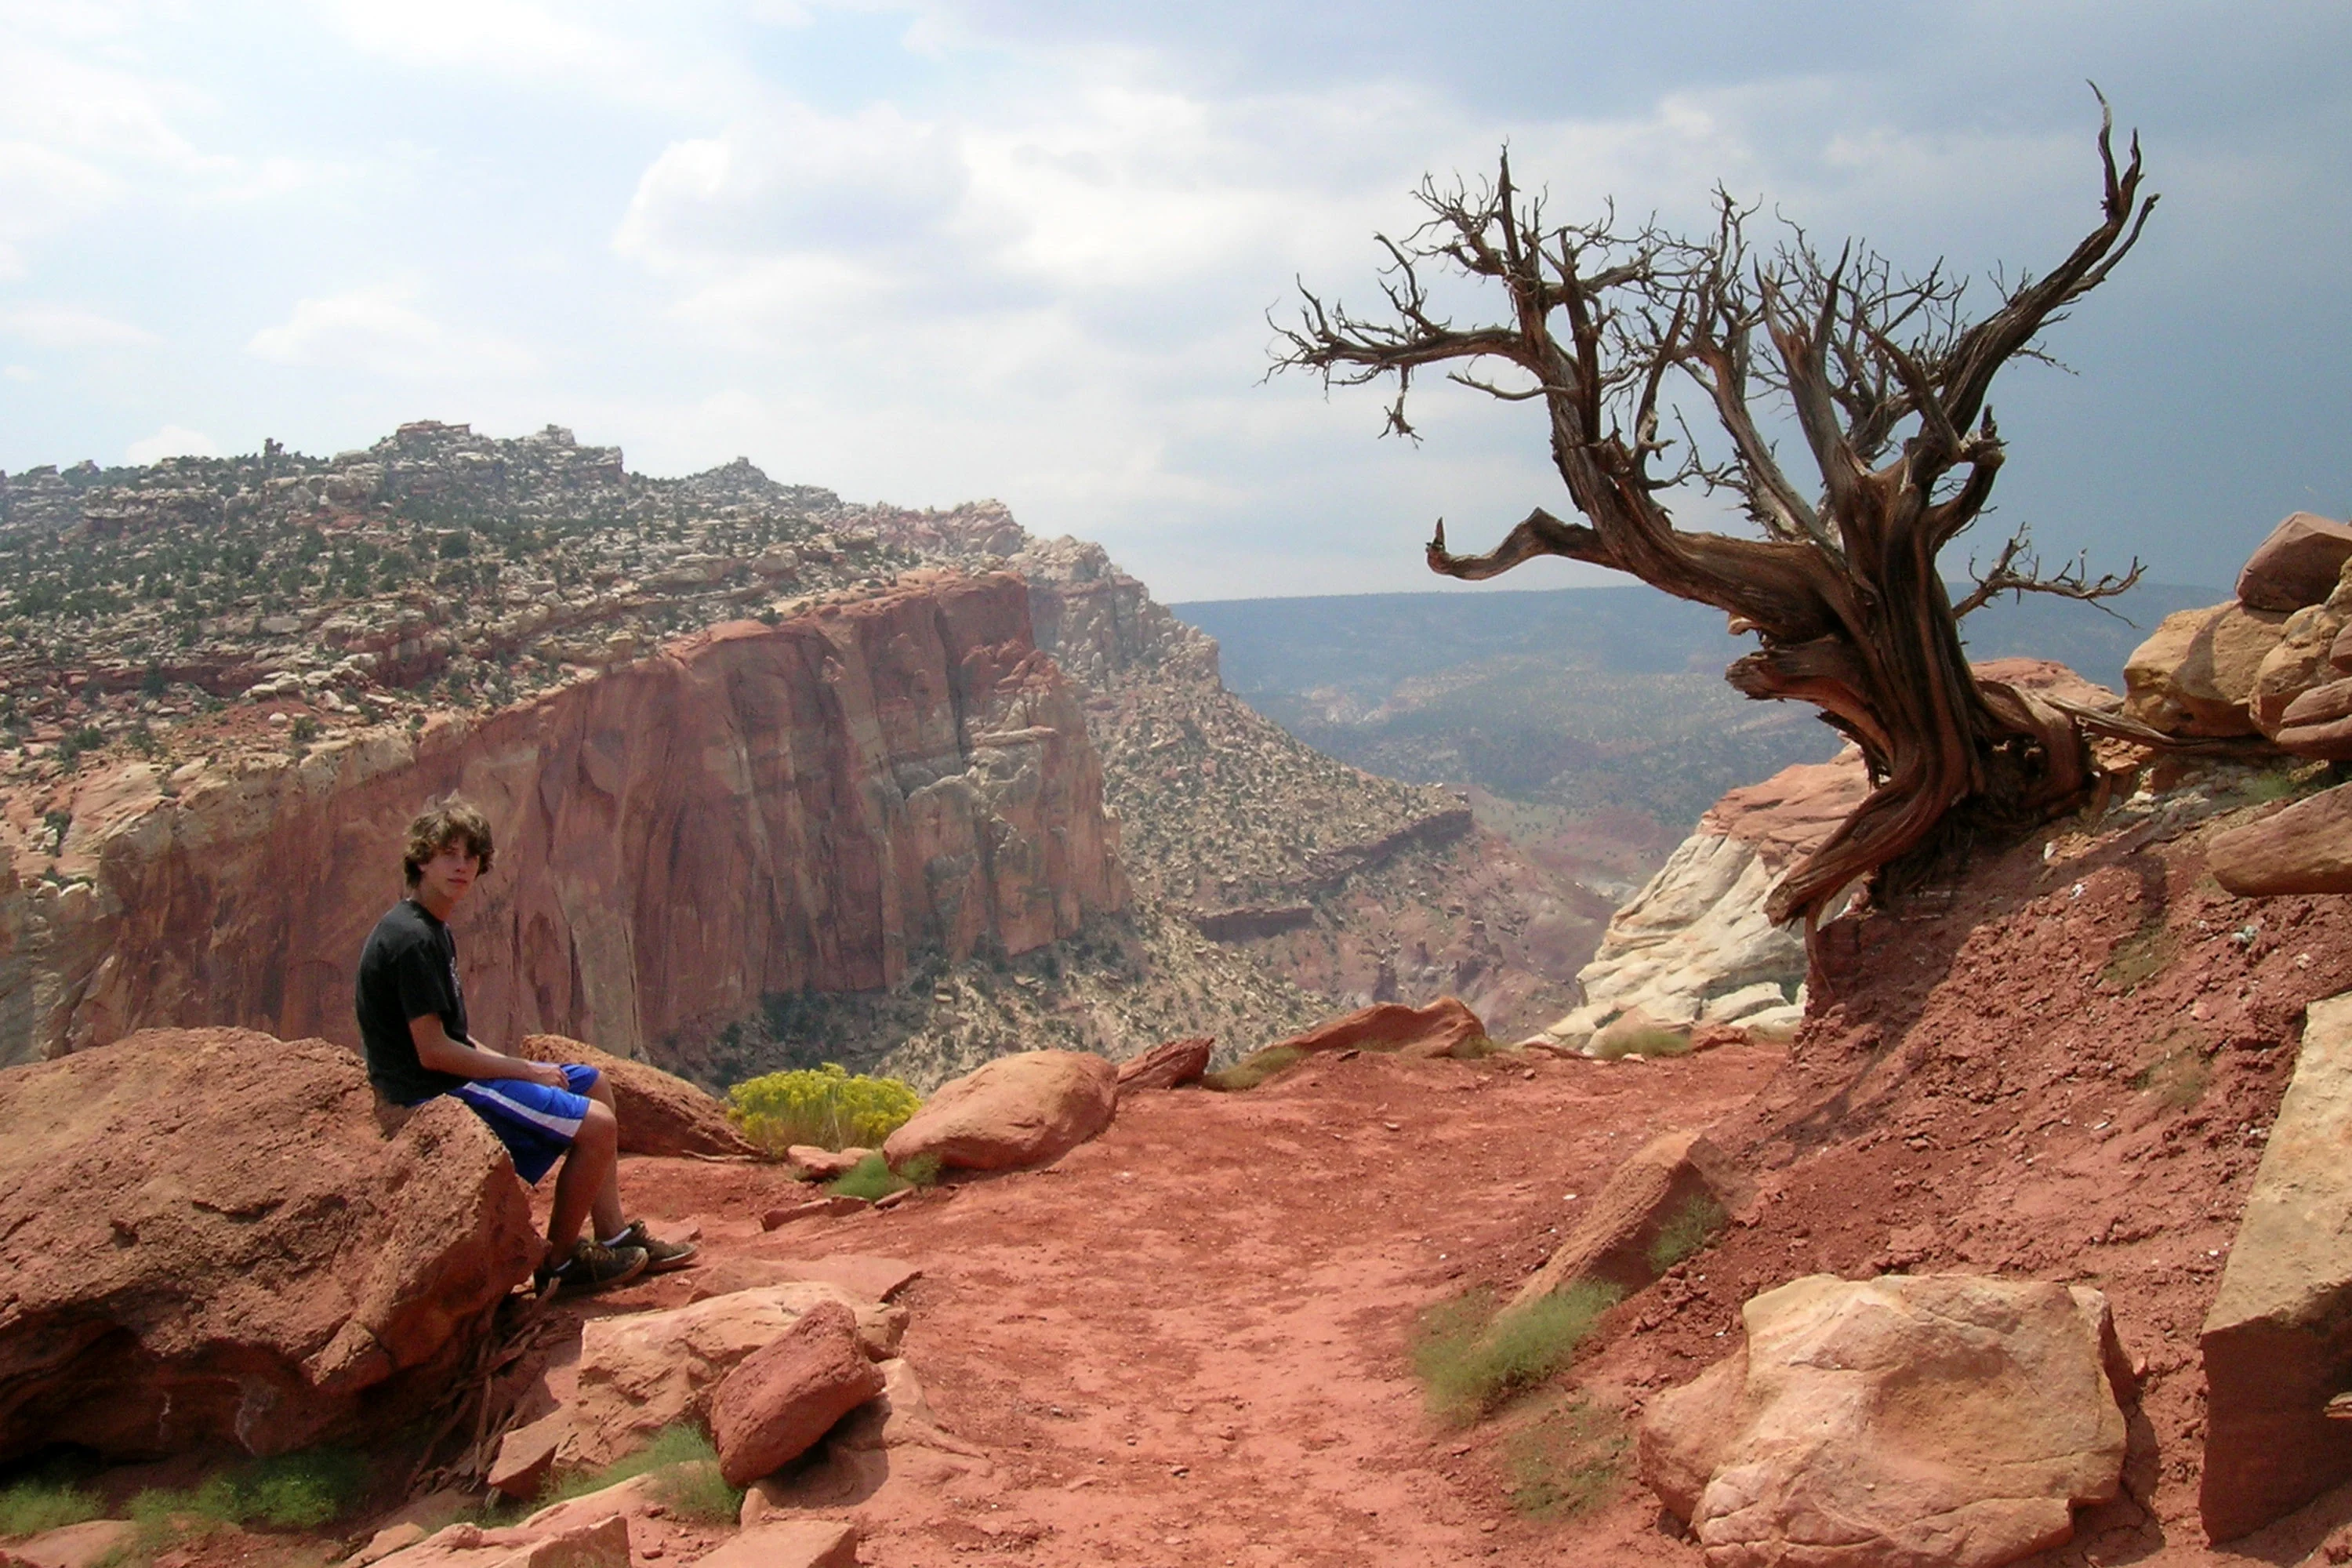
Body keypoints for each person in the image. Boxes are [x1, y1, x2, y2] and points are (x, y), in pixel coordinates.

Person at [355, 799, 695, 1294]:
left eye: (471, 857)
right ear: (422, 860)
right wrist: (526, 1072)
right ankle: (559, 1263)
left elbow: (455, 1035)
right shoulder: (412, 941)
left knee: (594, 1084)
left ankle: (614, 1232)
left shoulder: (430, 928)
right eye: (448, 854)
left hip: (448, 1074)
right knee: (598, 1127)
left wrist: (512, 1067)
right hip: (429, 1092)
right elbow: (433, 1052)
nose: (461, 866)